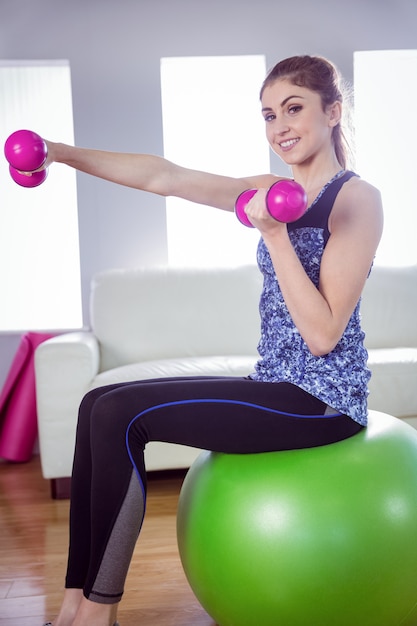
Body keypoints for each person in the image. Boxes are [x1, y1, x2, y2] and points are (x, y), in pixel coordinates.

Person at [40, 55, 383, 626]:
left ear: (333, 111)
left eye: (293, 109)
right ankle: (73, 603)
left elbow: (323, 335)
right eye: (269, 115)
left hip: (323, 401)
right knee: (96, 402)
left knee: (124, 413)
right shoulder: (270, 188)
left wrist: (274, 235)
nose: (280, 127)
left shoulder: (357, 199)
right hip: (275, 383)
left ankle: (101, 613)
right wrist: (61, 153)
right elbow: (164, 177)